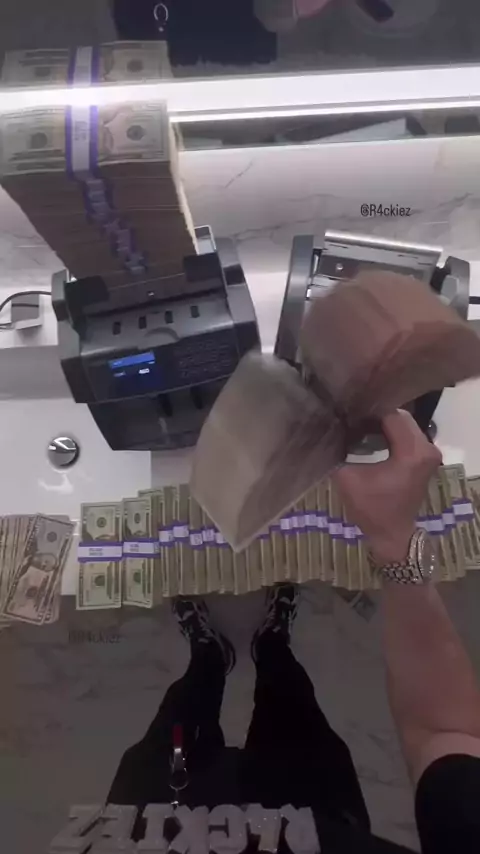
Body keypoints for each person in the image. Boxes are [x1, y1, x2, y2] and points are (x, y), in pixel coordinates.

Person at [108, 409, 480, 853]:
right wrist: (396, 541)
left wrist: (396, 540)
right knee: (290, 711)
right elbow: (446, 739)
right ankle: (267, 646)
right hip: (314, 802)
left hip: (151, 804)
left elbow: (445, 738)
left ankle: (213, 655)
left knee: (183, 717)